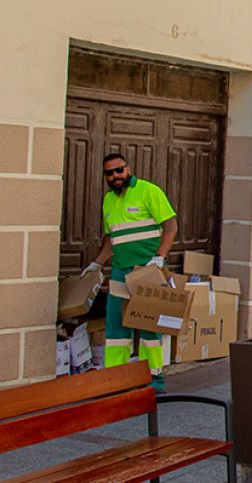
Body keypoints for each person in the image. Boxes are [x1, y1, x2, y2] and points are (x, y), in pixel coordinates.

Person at [80, 153, 178, 391]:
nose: (115, 176)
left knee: (148, 329)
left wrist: (159, 257)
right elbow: (112, 237)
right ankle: (115, 382)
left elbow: (171, 226)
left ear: (128, 169)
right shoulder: (108, 200)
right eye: (109, 173)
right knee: (115, 330)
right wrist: (97, 263)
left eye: (119, 170)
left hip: (146, 270)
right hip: (119, 271)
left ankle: (154, 382)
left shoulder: (148, 191)